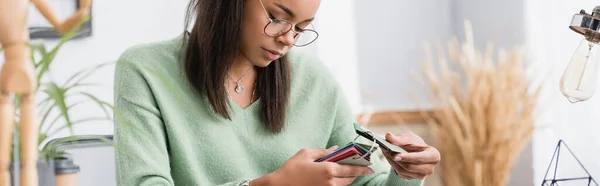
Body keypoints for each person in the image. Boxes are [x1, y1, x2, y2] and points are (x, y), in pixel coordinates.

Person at [113, 0, 441, 185]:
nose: (288, 39)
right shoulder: (146, 71)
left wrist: (406, 174)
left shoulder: (314, 80)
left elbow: (367, 182)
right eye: (278, 17)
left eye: (302, 28)